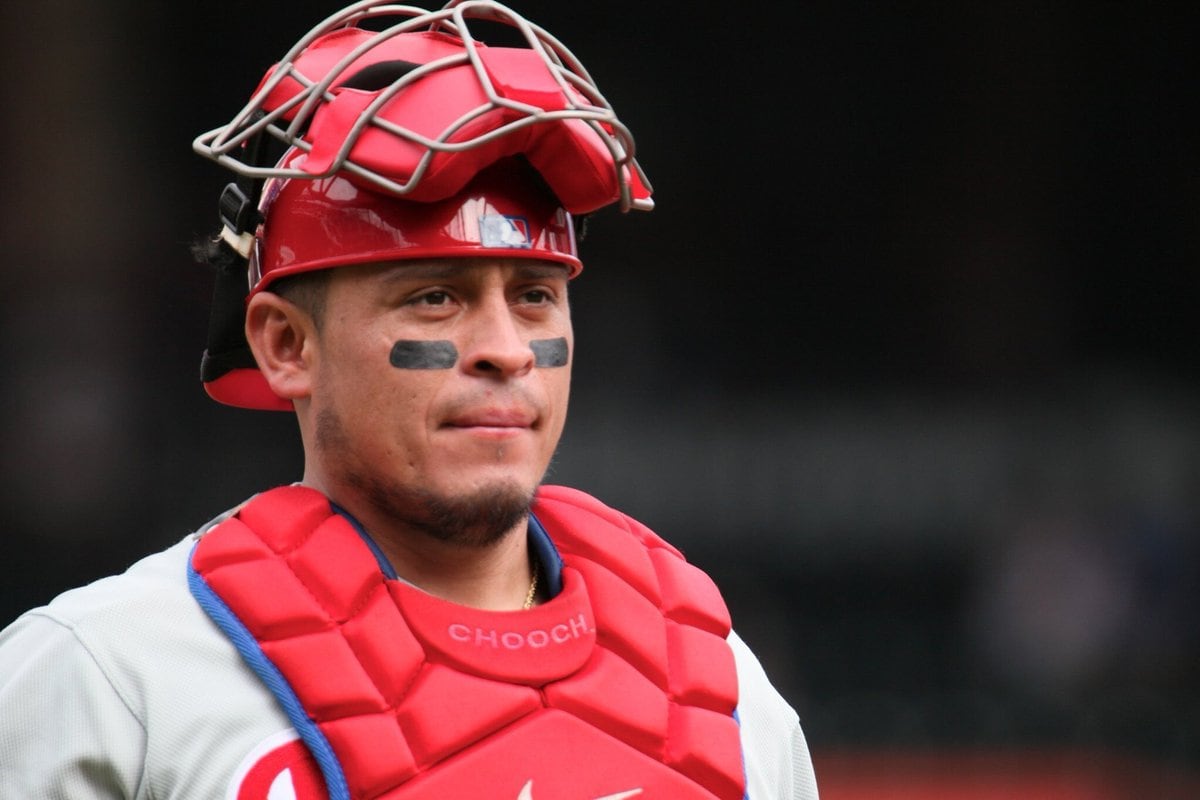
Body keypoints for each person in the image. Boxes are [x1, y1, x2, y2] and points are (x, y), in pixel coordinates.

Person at [0, 2, 819, 798]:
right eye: (435, 297)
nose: (505, 349)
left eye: (534, 296)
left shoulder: (719, 690)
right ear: (286, 345)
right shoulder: (105, 681)